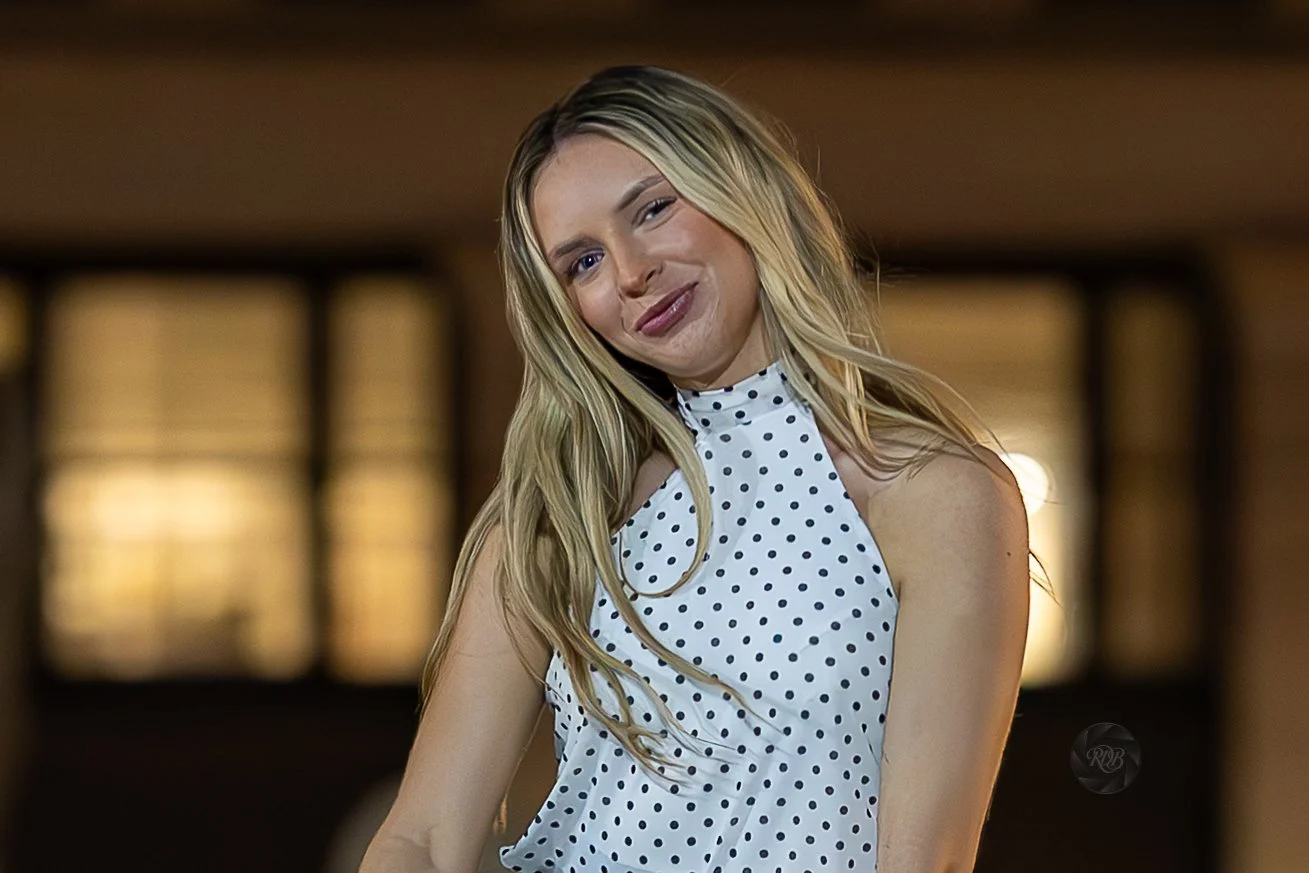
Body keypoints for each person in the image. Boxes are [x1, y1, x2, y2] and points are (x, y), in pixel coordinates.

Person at [360, 65, 1039, 873]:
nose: (629, 271)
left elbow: (924, 859)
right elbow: (421, 838)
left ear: (739, 192)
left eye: (652, 209)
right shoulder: (565, 512)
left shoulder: (936, 496)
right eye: (581, 262)